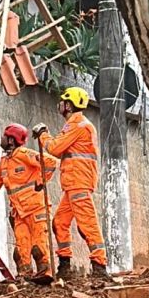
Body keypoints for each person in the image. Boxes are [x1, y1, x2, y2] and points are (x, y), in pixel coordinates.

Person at [33, 87, 107, 277]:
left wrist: (43, 134)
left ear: (69, 105)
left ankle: (99, 266)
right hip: (73, 183)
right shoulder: (75, 125)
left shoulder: (78, 125)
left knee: (87, 224)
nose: (60, 105)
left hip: (79, 181)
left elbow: (55, 148)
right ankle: (65, 266)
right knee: (59, 223)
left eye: (63, 101)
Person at [0, 123, 57, 284]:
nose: (2, 139)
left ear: (11, 140)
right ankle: (24, 277)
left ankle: (45, 275)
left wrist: (42, 180)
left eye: (5, 136)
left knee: (39, 248)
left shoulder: (23, 154)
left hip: (36, 209)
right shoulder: (4, 162)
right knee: (20, 251)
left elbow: (51, 162)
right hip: (19, 212)